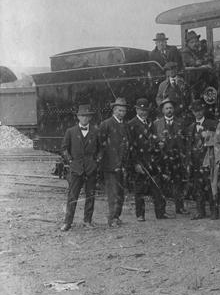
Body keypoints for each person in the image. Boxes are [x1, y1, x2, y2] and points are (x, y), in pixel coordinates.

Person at [59, 105, 100, 231]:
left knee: (90, 196)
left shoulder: (95, 131)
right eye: (82, 115)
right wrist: (70, 161)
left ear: (90, 117)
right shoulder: (70, 131)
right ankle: (68, 222)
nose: (84, 118)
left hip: (90, 169)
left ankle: (87, 221)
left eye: (87, 116)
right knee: (72, 196)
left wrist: (96, 162)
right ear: (78, 117)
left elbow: (101, 149)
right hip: (76, 169)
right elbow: (64, 148)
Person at [127, 98, 166, 221]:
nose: (143, 112)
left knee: (157, 187)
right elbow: (131, 146)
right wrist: (135, 163)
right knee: (139, 189)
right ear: (137, 110)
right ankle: (140, 214)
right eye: (141, 110)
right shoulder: (131, 124)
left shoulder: (151, 123)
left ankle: (160, 213)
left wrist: (158, 144)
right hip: (140, 160)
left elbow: (154, 138)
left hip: (153, 160)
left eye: (145, 110)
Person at [97, 97, 130, 227]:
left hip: (122, 165)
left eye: (124, 111)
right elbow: (101, 145)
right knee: (113, 193)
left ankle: (117, 216)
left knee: (120, 192)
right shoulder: (106, 124)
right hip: (110, 166)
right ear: (114, 110)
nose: (122, 113)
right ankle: (112, 218)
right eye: (120, 111)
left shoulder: (125, 125)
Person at [153, 97, 189, 216]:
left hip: (177, 157)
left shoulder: (181, 123)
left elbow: (185, 140)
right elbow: (153, 141)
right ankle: (162, 210)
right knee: (162, 184)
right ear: (162, 111)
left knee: (178, 182)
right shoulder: (156, 124)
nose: (169, 110)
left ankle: (179, 207)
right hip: (163, 158)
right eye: (166, 108)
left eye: (171, 108)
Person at [185, 99, 218, 220]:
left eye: (199, 110)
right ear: (192, 112)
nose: (197, 113)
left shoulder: (212, 124)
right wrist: (188, 161)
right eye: (195, 111)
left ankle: (214, 211)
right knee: (198, 187)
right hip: (195, 161)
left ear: (203, 110)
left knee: (210, 186)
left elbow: (217, 142)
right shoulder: (190, 127)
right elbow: (188, 146)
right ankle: (200, 211)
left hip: (208, 160)